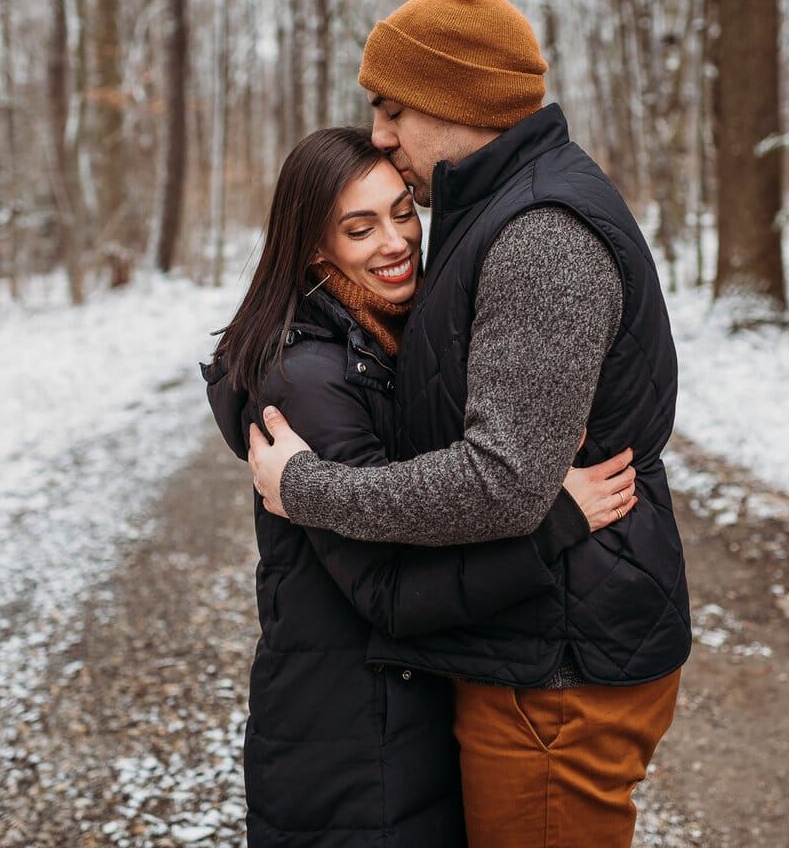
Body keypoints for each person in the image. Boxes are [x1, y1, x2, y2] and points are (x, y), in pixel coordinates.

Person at [248, 0, 692, 848]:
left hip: (557, 666)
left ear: (455, 100)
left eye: (390, 108)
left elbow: (501, 485)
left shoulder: (539, 235)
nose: (377, 133)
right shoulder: (494, 208)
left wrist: (306, 488)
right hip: (530, 645)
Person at [202, 126, 639, 847]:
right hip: (349, 740)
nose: (396, 240)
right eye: (359, 227)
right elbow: (390, 594)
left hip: (398, 719)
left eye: (402, 210)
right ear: (315, 247)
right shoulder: (303, 379)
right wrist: (555, 519)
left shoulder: (383, 341)